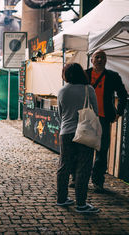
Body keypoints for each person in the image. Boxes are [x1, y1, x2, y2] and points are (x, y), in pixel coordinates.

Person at [57, 63, 99, 214]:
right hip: (85, 132)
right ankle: (81, 204)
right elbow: (96, 110)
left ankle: (61, 198)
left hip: (66, 132)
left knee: (64, 166)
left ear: (66, 74)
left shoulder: (62, 90)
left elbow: (60, 113)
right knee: (83, 167)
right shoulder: (89, 89)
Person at [85, 50, 128, 192]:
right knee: (84, 149)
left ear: (106, 60)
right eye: (97, 57)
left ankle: (98, 181)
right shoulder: (85, 74)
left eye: (103, 58)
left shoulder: (112, 76)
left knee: (102, 150)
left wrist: (118, 112)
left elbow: (123, 94)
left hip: (103, 118)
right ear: (92, 60)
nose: (99, 60)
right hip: (86, 118)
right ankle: (80, 179)